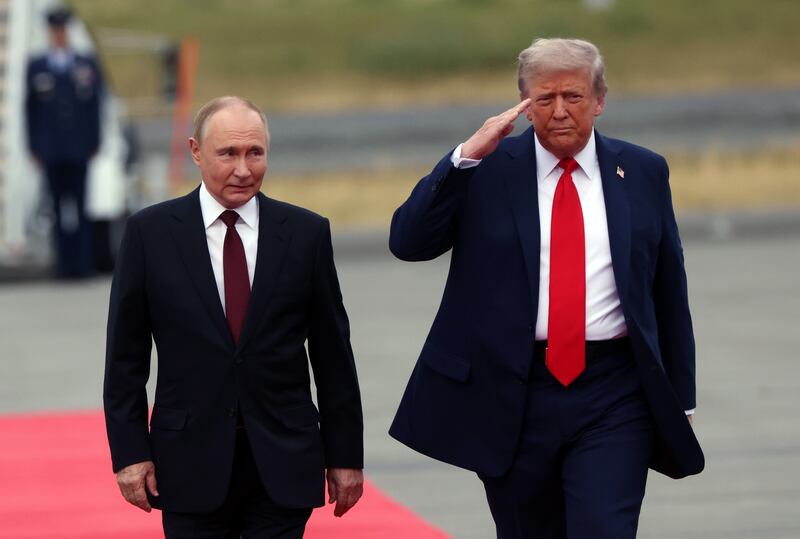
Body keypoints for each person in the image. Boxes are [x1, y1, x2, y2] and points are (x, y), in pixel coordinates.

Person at [388, 38, 704, 539]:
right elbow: (407, 242)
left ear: (599, 100)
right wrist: (463, 158)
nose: (559, 111)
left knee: (604, 528)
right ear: (523, 104)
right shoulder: (485, 170)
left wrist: (681, 398)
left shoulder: (642, 171)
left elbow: (668, 287)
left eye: (573, 97)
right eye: (544, 98)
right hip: (513, 390)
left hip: (614, 390)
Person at [104, 96, 364, 538]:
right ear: (195, 151)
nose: (243, 169)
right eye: (228, 153)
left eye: (255, 153)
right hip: (188, 458)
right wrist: (130, 453)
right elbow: (125, 357)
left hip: (284, 456)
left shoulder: (305, 233)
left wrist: (345, 456)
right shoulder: (151, 234)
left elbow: (333, 354)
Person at [25, 7, 103, 279]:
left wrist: (95, 142)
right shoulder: (37, 66)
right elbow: (31, 112)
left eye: (62, 30)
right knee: (57, 208)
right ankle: (62, 265)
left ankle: (82, 264)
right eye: (54, 31)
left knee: (81, 207)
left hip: (79, 149)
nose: (58, 35)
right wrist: (34, 146)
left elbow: (95, 107)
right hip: (52, 150)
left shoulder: (84, 64)